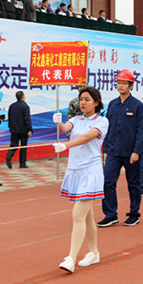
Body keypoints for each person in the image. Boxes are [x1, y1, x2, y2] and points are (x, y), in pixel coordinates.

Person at [52, 87, 109, 273]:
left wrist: (66, 145)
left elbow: (86, 137)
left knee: (78, 215)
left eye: (87, 99)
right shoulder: (76, 119)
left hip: (90, 172)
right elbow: (65, 129)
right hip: (75, 171)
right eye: (81, 99)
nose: (83, 102)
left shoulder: (102, 121)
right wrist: (58, 123)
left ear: (96, 102)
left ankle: (71, 258)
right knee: (87, 216)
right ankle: (94, 252)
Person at [99, 69, 143, 228]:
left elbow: (141, 130)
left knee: (133, 183)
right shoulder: (112, 104)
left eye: (124, 83)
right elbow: (107, 127)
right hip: (113, 151)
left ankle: (134, 213)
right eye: (119, 83)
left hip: (130, 152)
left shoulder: (137, 105)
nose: (121, 86)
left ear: (131, 85)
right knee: (107, 181)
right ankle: (110, 214)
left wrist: (137, 151)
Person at [6, 91, 32, 169]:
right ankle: (22, 163)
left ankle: (9, 155)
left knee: (14, 145)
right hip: (23, 130)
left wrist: (10, 128)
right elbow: (27, 118)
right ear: (23, 97)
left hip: (14, 129)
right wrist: (29, 129)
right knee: (23, 147)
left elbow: (9, 118)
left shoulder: (12, 106)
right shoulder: (25, 106)